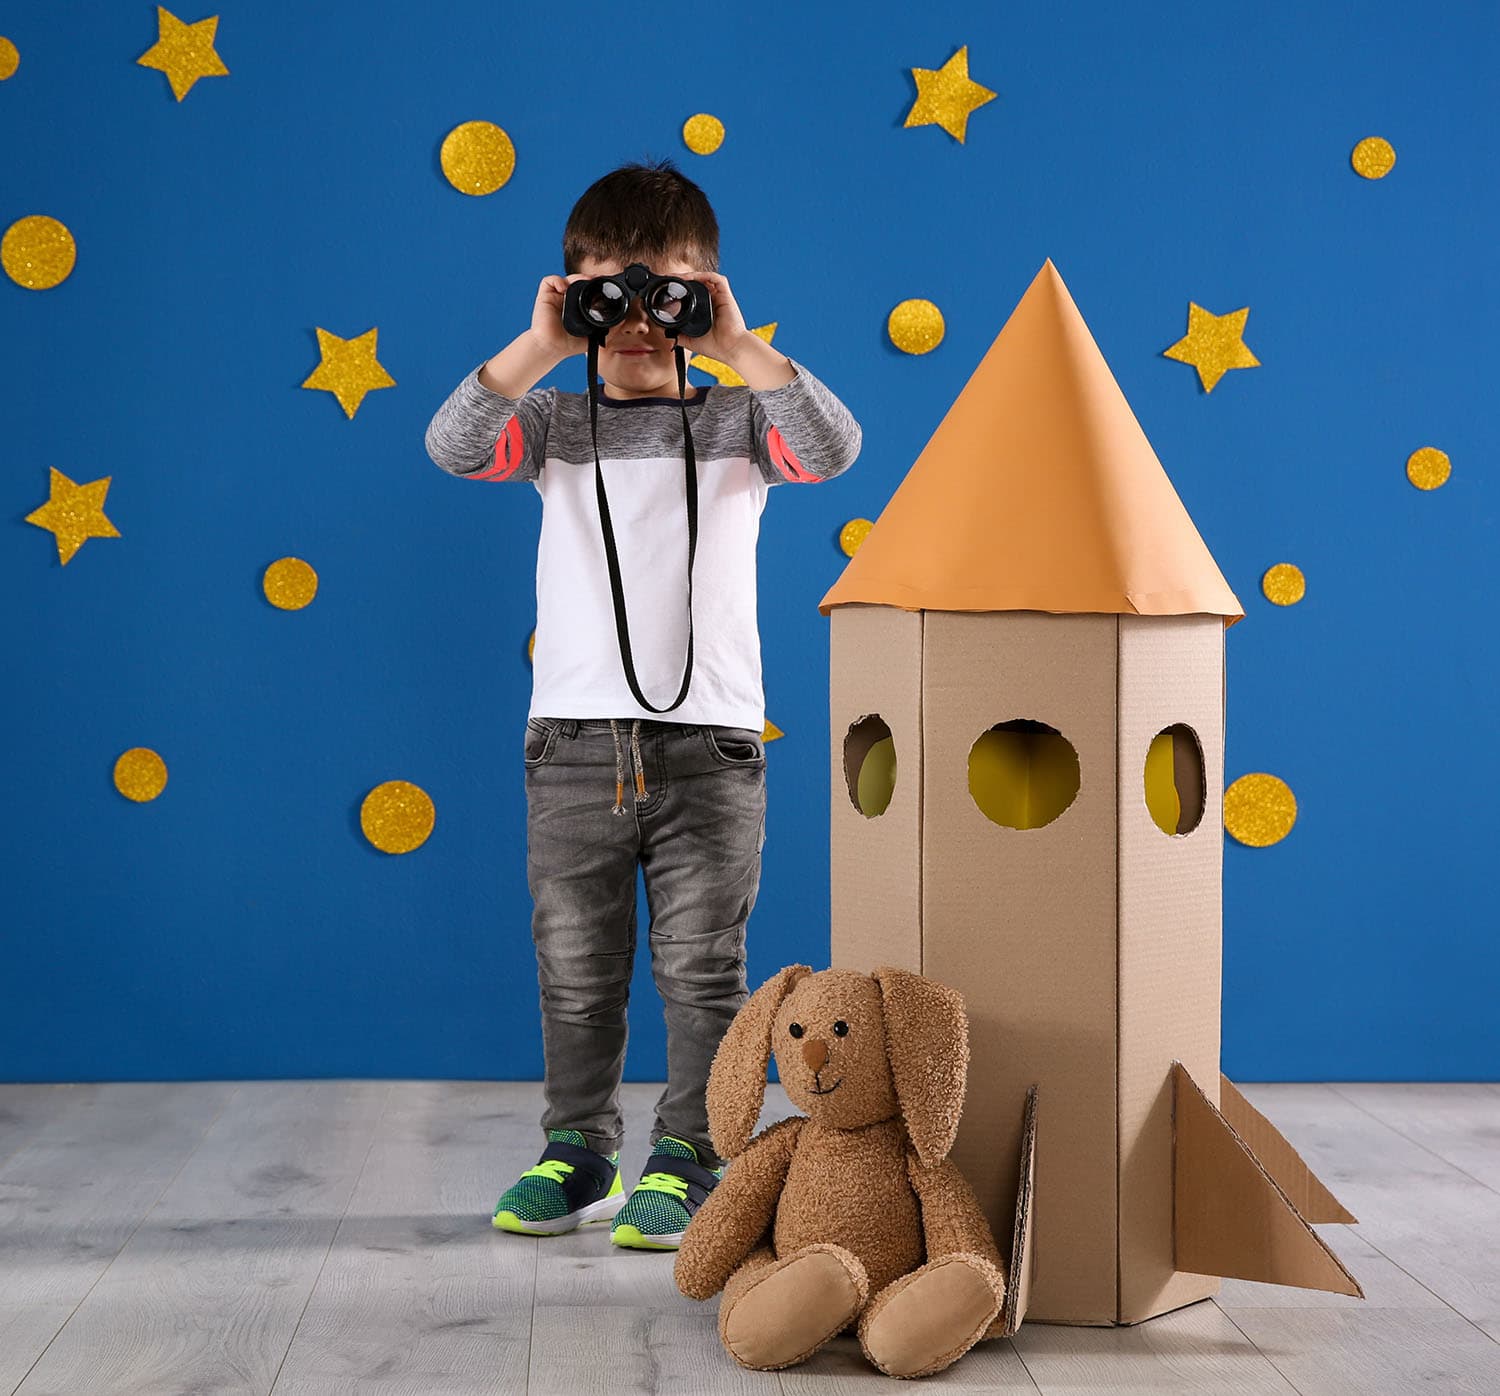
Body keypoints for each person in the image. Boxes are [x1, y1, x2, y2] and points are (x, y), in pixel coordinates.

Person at [423, 158, 862, 1250]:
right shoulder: (556, 431)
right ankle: (577, 1151)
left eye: (664, 295)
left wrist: (738, 349)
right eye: (607, 296)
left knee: (702, 964)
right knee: (573, 964)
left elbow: (833, 448)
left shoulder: (737, 426)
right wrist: (539, 346)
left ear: (704, 298)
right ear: (573, 298)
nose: (635, 322)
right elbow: (454, 445)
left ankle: (690, 1154)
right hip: (570, 741)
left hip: (709, 741)